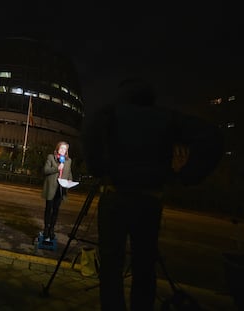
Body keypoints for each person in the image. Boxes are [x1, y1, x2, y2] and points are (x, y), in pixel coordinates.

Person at [81, 78, 223, 311]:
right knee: (145, 266)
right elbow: (212, 137)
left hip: (115, 196)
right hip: (149, 200)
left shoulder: (111, 113)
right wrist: (187, 175)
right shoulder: (166, 117)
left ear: (123, 94)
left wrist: (98, 167)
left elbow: (89, 132)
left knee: (111, 266)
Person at [41, 141, 73, 241]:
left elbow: (69, 172)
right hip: (51, 188)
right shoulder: (51, 157)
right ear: (58, 149)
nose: (63, 150)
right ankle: (46, 229)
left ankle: (51, 230)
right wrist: (56, 168)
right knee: (48, 210)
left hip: (60, 189)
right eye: (61, 148)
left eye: (65, 149)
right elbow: (45, 170)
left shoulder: (68, 161)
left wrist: (70, 180)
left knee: (56, 211)